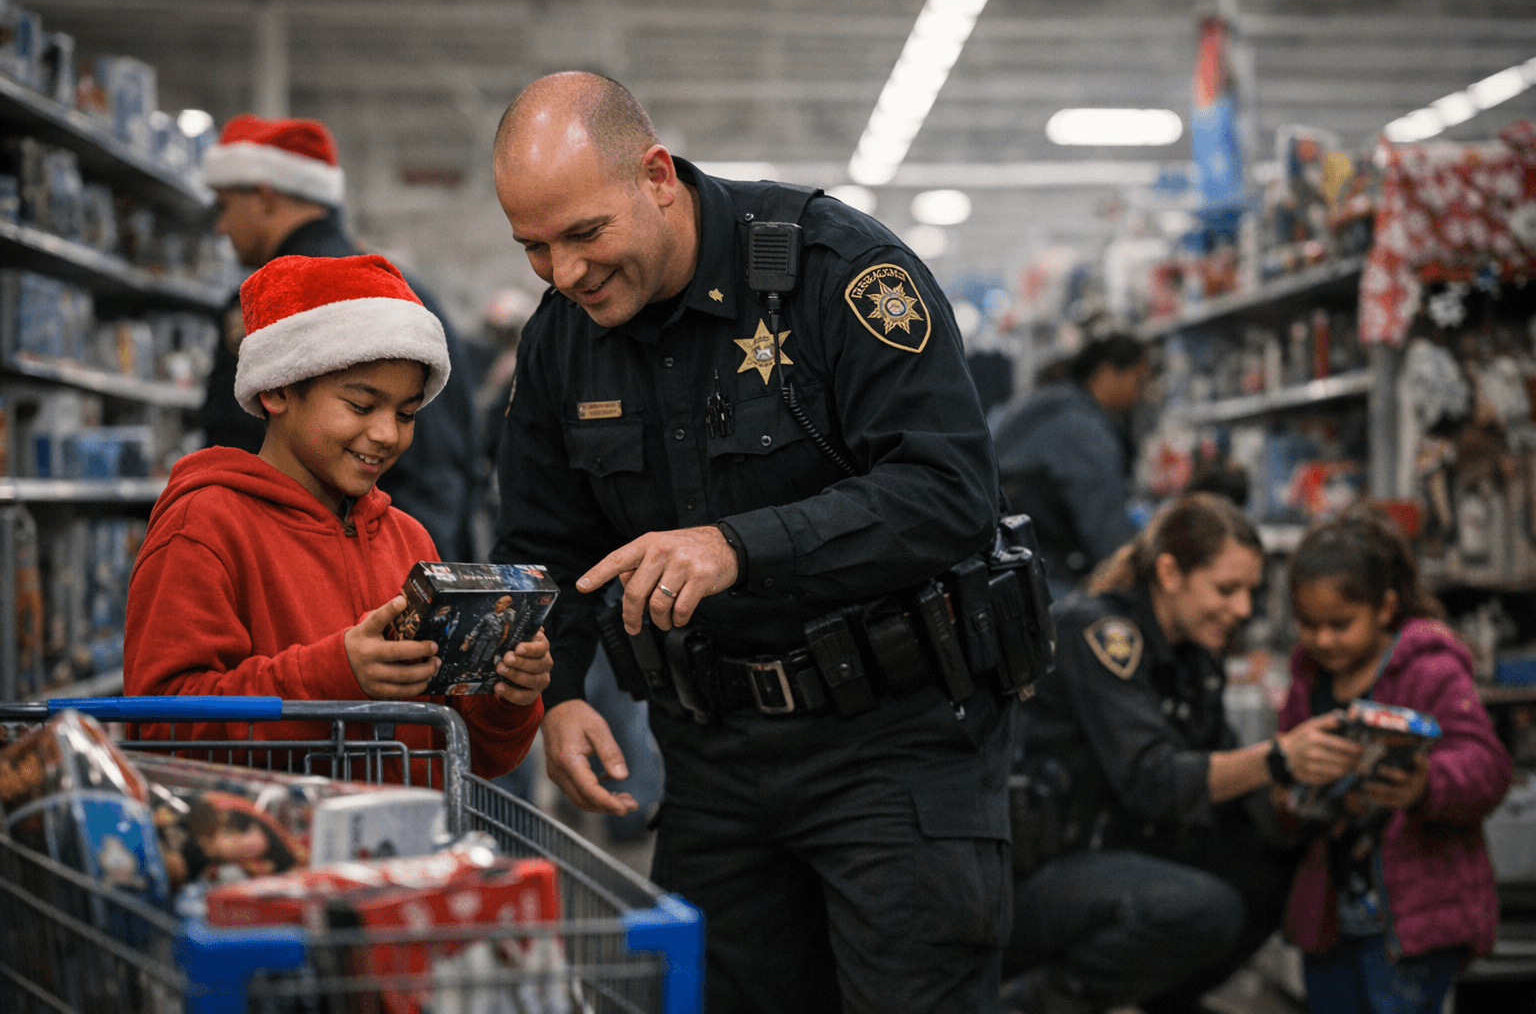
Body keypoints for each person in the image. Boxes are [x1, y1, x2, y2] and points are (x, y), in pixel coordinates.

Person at [489, 72, 1010, 1013]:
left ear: (655, 177)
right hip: (713, 759)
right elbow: (541, 540)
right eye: (534, 248)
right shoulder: (561, 342)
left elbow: (950, 491)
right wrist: (558, 694)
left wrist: (740, 545)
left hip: (892, 750)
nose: (564, 273)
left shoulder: (836, 272)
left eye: (584, 234)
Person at [123, 254, 550, 781]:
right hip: (277, 852)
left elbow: (471, 753)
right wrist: (332, 678)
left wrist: (507, 695)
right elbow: (162, 729)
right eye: (361, 404)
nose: (388, 434)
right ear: (278, 387)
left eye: (406, 413)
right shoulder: (205, 524)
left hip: (406, 851)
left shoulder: (408, 538)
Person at [1004, 493, 1326, 1014]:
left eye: (1250, 592)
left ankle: (1160, 1001)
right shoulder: (1098, 633)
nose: (1242, 610)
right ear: (1170, 572)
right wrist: (1280, 756)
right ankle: (1038, 1003)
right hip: (1046, 873)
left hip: (1124, 856)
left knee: (1274, 864)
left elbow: (1223, 772)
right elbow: (1152, 779)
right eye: (1226, 589)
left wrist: (1311, 796)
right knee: (1205, 908)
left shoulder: (1193, 659)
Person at [199, 114, 482, 561]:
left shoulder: (277, 305)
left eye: (224, 204)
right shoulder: (405, 292)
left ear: (264, 197)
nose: (221, 226)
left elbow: (234, 446)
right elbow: (444, 471)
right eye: (361, 406)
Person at [1278, 508, 1512, 1014]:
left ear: (1384, 607)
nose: (1323, 640)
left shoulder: (1429, 671)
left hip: (1415, 918)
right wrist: (1288, 787)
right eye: (1308, 625)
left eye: (1340, 624)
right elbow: (1284, 765)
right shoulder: (1309, 680)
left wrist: (1427, 784)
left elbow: (1488, 767)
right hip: (1331, 917)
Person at [991, 333, 1151, 598]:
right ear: (1107, 373)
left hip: (1007, 571)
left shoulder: (1040, 405)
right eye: (1138, 380)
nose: (1141, 394)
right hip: (1047, 583)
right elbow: (1107, 533)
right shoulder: (1084, 431)